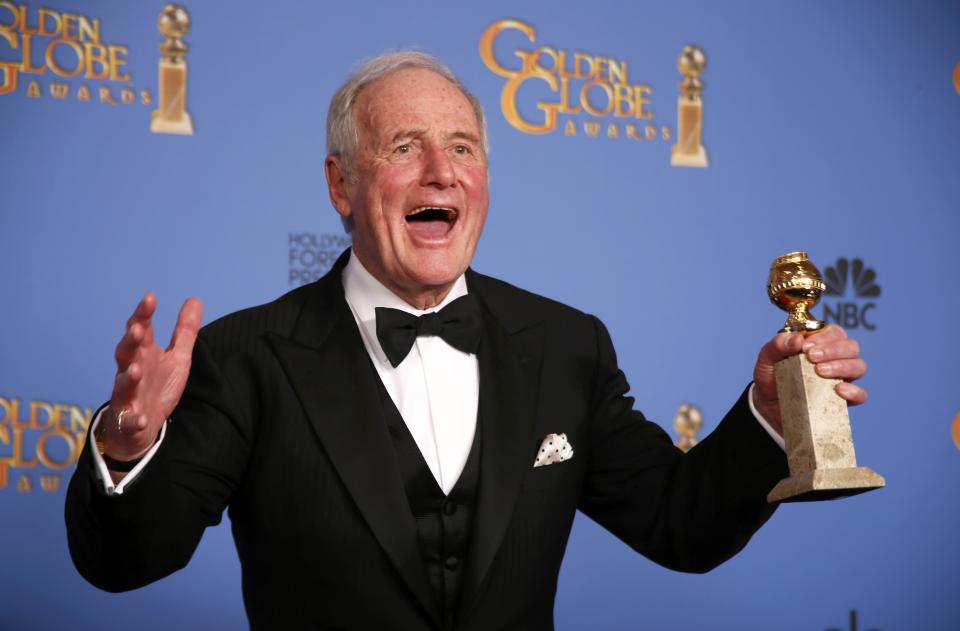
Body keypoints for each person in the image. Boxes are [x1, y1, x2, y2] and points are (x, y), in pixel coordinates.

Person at [66, 52, 868, 630]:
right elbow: (124, 562)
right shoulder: (248, 356)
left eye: (463, 147)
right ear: (341, 183)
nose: (440, 172)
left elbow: (680, 524)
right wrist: (128, 442)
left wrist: (770, 413)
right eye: (404, 147)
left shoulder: (566, 344)